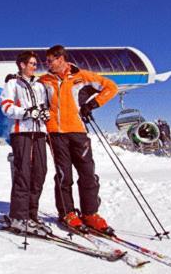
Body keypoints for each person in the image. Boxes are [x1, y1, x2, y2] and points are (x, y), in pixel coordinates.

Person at [40, 45, 118, 233]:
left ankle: (90, 214)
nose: (48, 63)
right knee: (64, 175)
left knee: (88, 173)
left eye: (51, 60)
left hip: (78, 132)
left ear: (62, 59)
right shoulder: (43, 81)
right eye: (47, 60)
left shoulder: (82, 76)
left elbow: (111, 87)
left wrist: (92, 104)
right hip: (55, 133)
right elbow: (29, 93)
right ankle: (67, 213)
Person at [0, 51, 51, 234]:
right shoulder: (13, 83)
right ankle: (18, 216)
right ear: (22, 65)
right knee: (24, 173)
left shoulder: (39, 85)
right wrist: (26, 112)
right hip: (21, 132)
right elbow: (6, 106)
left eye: (36, 64)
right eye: (31, 63)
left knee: (40, 171)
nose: (34, 67)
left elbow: (45, 107)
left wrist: (45, 113)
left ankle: (31, 214)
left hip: (39, 132)